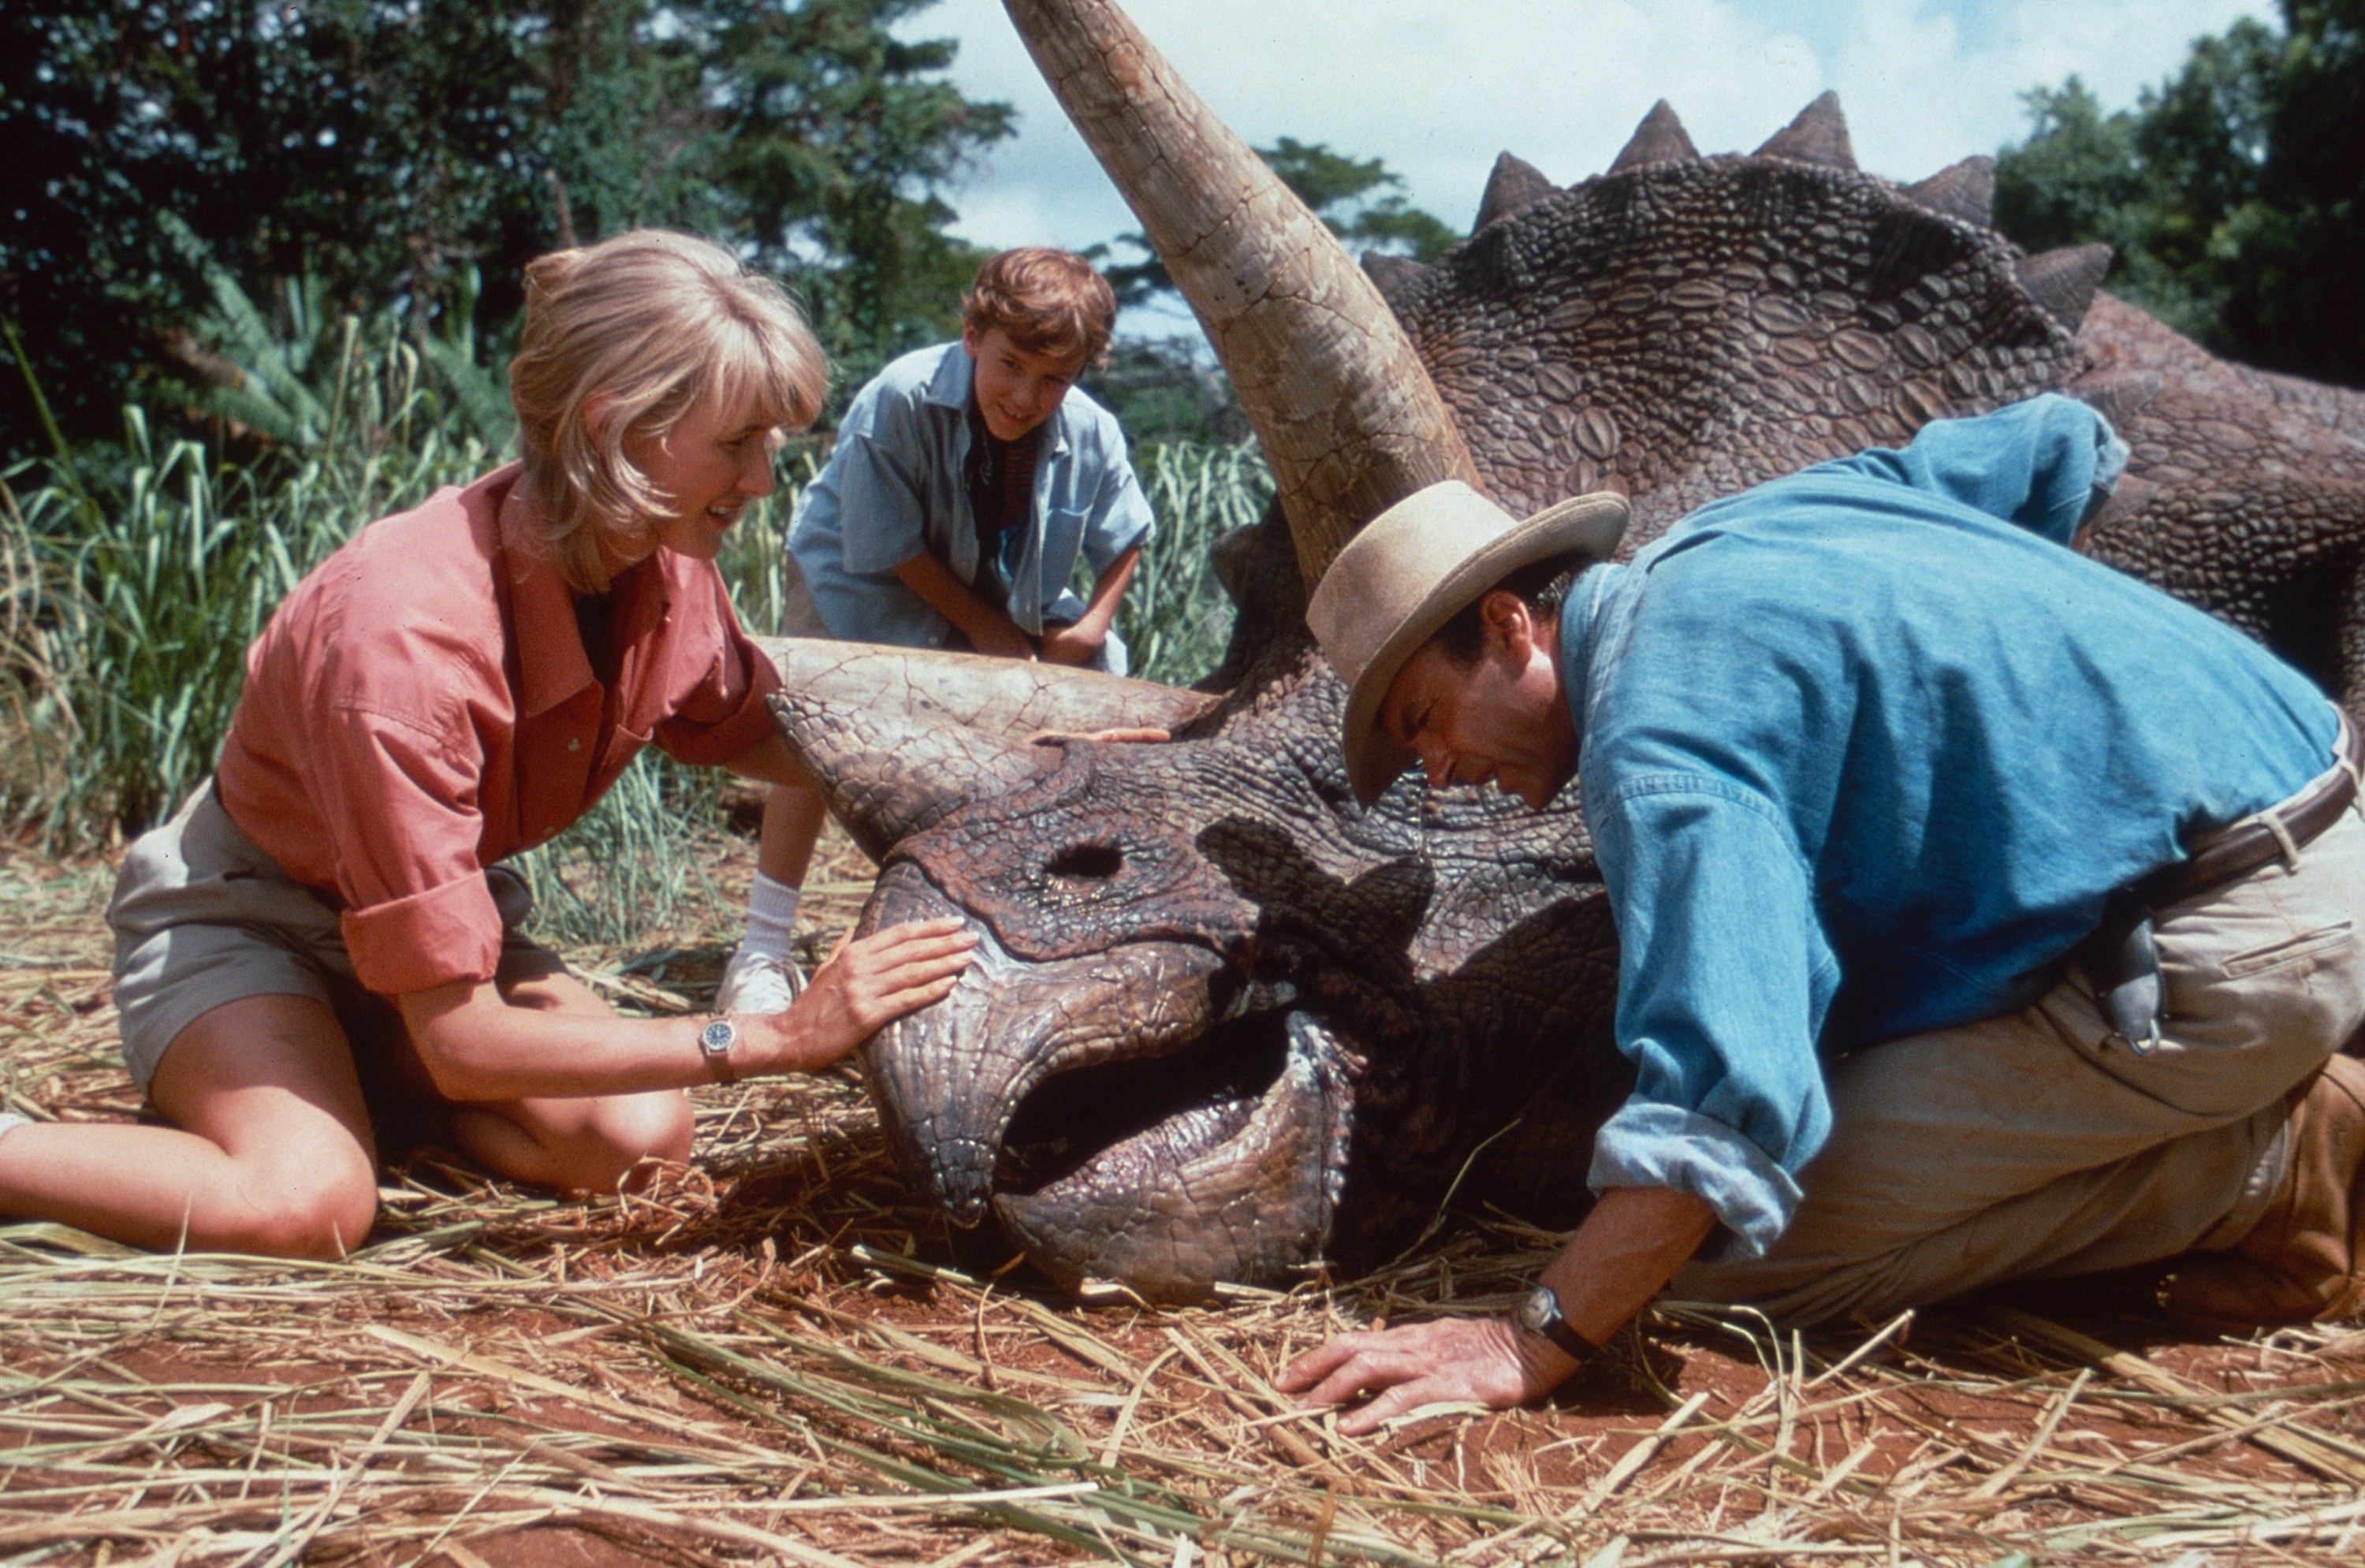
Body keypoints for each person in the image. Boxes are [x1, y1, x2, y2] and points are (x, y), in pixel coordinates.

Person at [1277, 394, 2365, 1434]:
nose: (1439, 772)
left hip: (2231, 941)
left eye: (1424, 719)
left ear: (1511, 625)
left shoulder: (1655, 749)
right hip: (2322, 796)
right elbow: (2057, 446)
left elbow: (1728, 1109)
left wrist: (1531, 1341)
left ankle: (2270, 1171)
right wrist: (2045, 697)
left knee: (1721, 1263)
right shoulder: (1742, 529)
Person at [0, 230, 975, 1259]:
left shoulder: (662, 554)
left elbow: (777, 736)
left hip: (437, 949)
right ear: (618, 431)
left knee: (642, 1140)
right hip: (253, 923)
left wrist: (1033, 762)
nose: (765, 480)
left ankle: (353, 1091)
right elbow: (464, 1036)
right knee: (308, 1205)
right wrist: (771, 1038)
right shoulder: (403, 647)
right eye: (738, 444)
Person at [714, 248, 1155, 1013]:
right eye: (1011, 364)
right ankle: (762, 946)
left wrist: (1091, 625)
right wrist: (988, 634)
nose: (1025, 396)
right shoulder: (900, 398)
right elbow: (892, 546)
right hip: (859, 573)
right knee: (814, 734)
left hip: (1001, 588)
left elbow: (1127, 536)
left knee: (1068, 736)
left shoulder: (1090, 432)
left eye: (1055, 379)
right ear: (972, 335)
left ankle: (1018, 935)